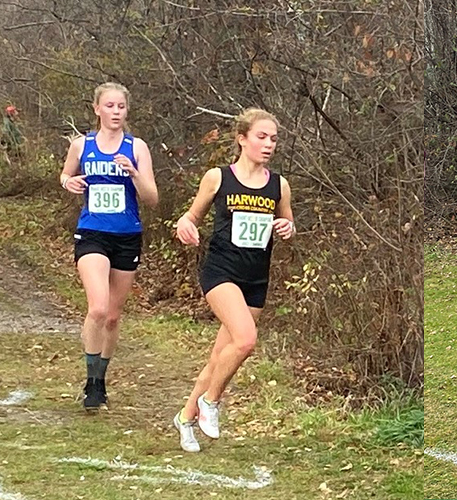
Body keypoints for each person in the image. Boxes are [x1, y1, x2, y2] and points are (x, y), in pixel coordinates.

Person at [172, 108, 295, 452]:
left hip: (255, 278)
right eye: (261, 137)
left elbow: (288, 225)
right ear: (242, 138)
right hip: (221, 272)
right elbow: (191, 216)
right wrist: (186, 225)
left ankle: (185, 417)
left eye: (273, 138)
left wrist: (287, 228)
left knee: (218, 359)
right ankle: (211, 403)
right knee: (245, 340)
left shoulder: (278, 185)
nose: (268, 144)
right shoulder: (218, 177)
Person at [60, 83, 159, 412]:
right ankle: (90, 382)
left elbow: (152, 198)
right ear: (97, 109)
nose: (116, 112)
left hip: (127, 235)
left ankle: (101, 380)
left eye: (121, 107)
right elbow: (66, 175)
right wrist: (68, 182)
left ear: (127, 111)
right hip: (92, 233)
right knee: (98, 308)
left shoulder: (137, 147)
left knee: (114, 317)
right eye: (110, 106)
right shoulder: (82, 145)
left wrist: (133, 173)